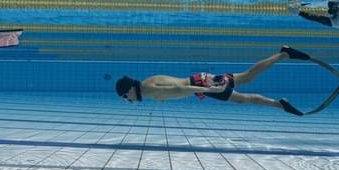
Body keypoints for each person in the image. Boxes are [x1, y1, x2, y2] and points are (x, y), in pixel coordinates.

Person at [115, 46, 309, 115]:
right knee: (246, 78)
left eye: (125, 97)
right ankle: (284, 54)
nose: (128, 100)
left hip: (201, 84)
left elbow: (179, 90)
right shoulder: (148, 83)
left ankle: (280, 103)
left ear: (129, 90)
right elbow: (173, 87)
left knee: (244, 94)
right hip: (199, 80)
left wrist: (209, 90)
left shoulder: (148, 89)